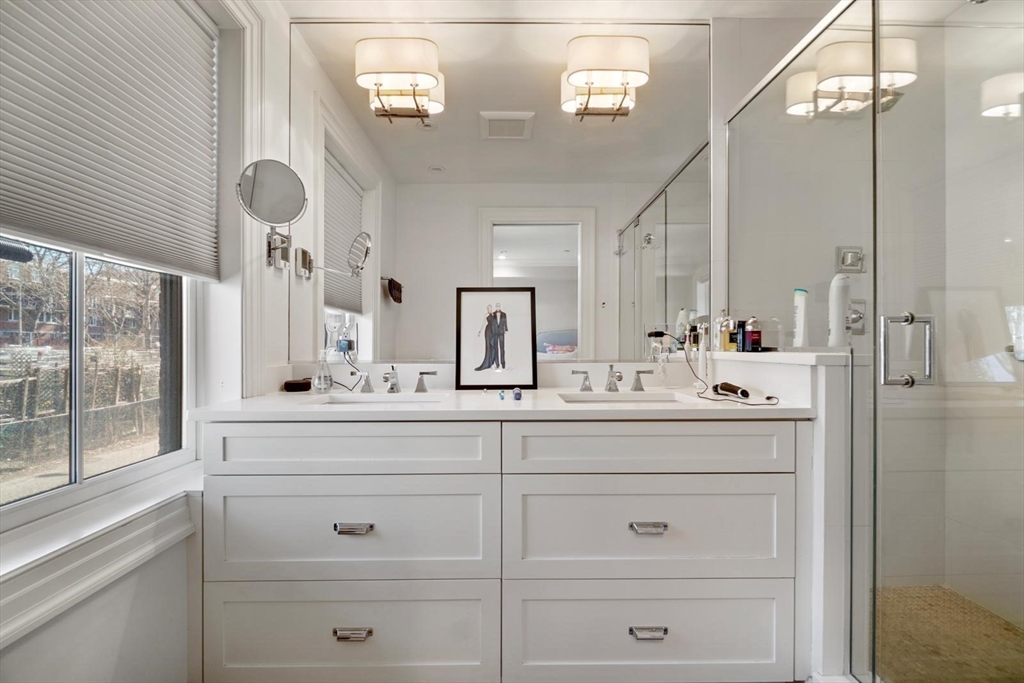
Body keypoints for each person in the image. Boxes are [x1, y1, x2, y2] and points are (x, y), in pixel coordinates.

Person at [474, 305, 497, 371]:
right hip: (488, 331)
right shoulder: (486, 315)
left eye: (490, 308)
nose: (489, 309)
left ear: (492, 308)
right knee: (488, 347)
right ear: (487, 309)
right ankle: (488, 364)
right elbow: (484, 323)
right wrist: (480, 331)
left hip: (494, 331)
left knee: (494, 347)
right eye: (488, 308)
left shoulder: (494, 314)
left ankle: (493, 363)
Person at [493, 303, 508, 370]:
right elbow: (491, 324)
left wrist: (506, 330)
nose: (498, 307)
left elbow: (505, 322)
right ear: (495, 307)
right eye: (497, 306)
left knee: (502, 348)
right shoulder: (493, 314)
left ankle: (503, 363)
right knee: (496, 348)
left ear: (500, 307)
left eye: (499, 306)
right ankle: (497, 363)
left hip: (501, 333)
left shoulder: (504, 314)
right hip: (495, 333)